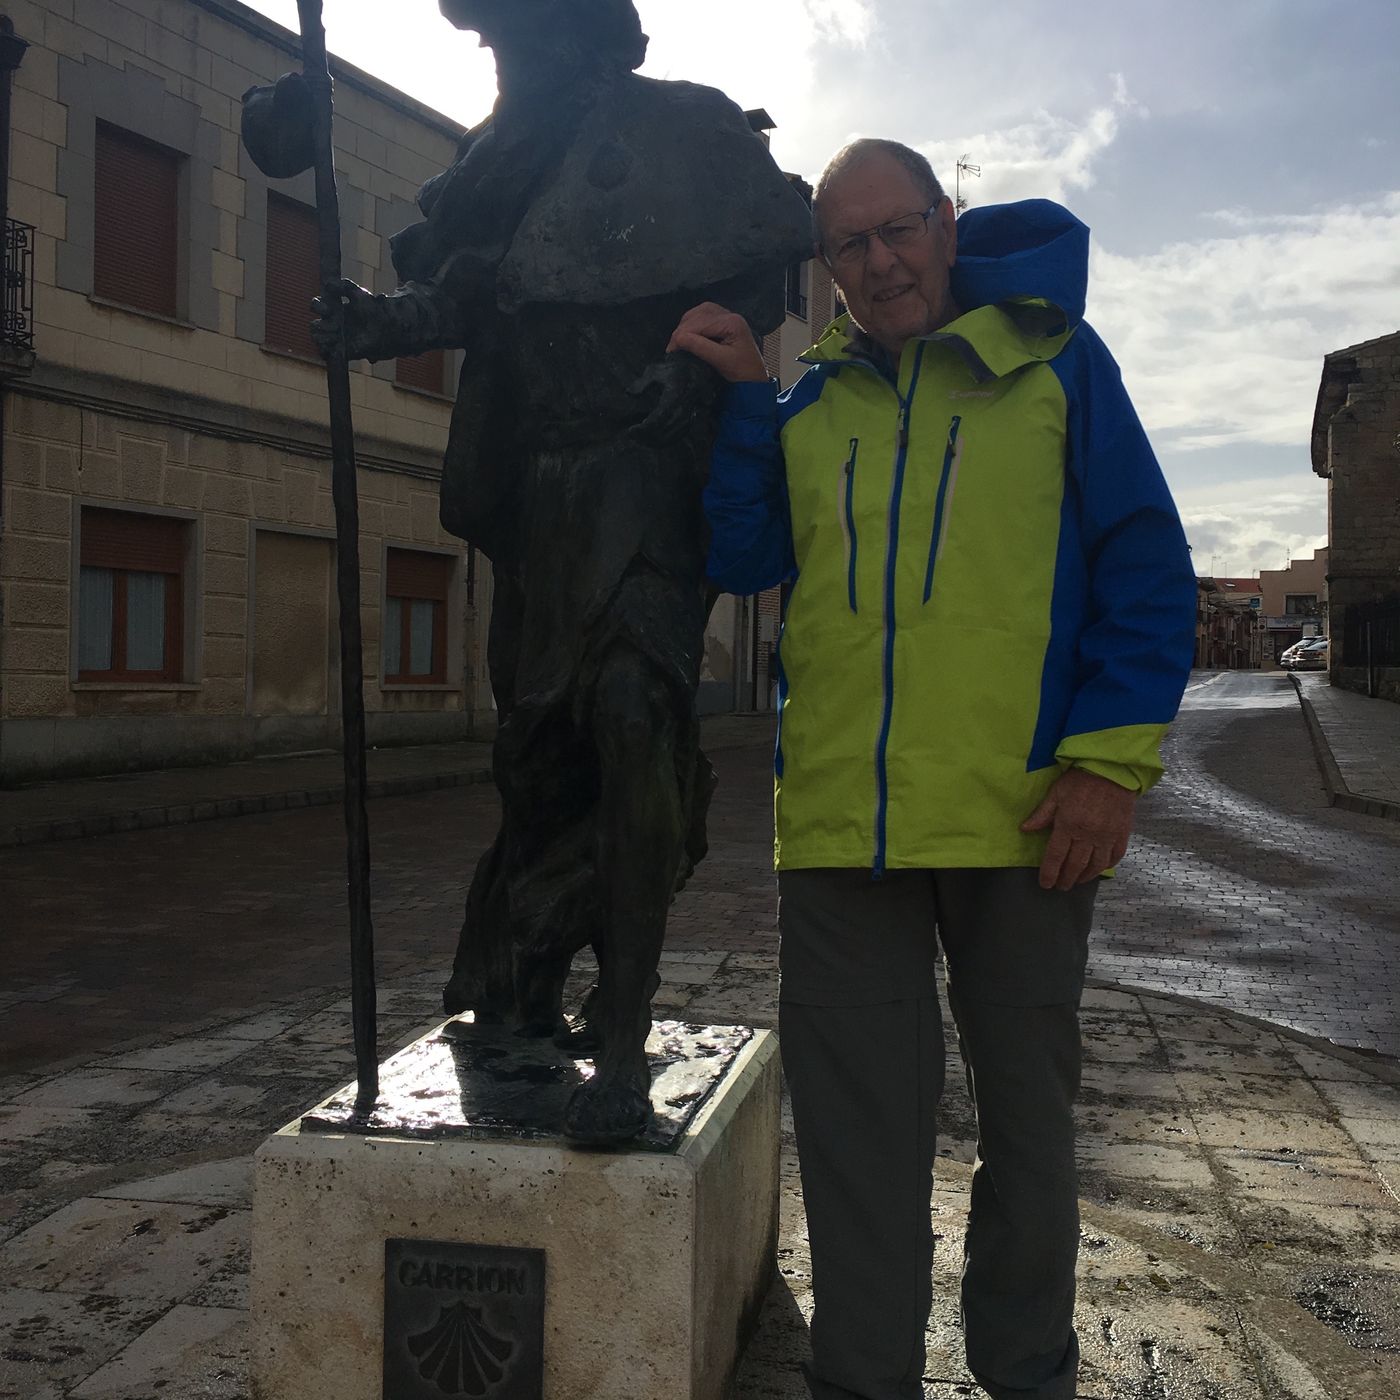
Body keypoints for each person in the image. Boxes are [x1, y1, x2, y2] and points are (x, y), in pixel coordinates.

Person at [668, 139, 1196, 1400]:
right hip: (841, 832)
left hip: (1025, 822)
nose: (879, 261)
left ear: (945, 224)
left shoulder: (1056, 363)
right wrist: (745, 401)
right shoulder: (814, 405)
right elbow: (741, 556)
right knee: (854, 1147)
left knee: (1028, 1133)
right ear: (828, 266)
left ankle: (1026, 1375)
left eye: (897, 229)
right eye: (847, 245)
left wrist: (1105, 764)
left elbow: (1143, 568)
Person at [311, 0, 810, 1144]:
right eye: (495, 43)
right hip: (538, 499)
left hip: (646, 477)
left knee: (632, 715)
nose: (506, 60)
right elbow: (463, 297)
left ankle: (624, 1043)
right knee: (537, 767)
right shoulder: (499, 162)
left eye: (520, 37)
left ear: (581, 38)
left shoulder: (685, 131)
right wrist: (371, 321)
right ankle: (523, 977)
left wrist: (699, 368)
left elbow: (761, 261)